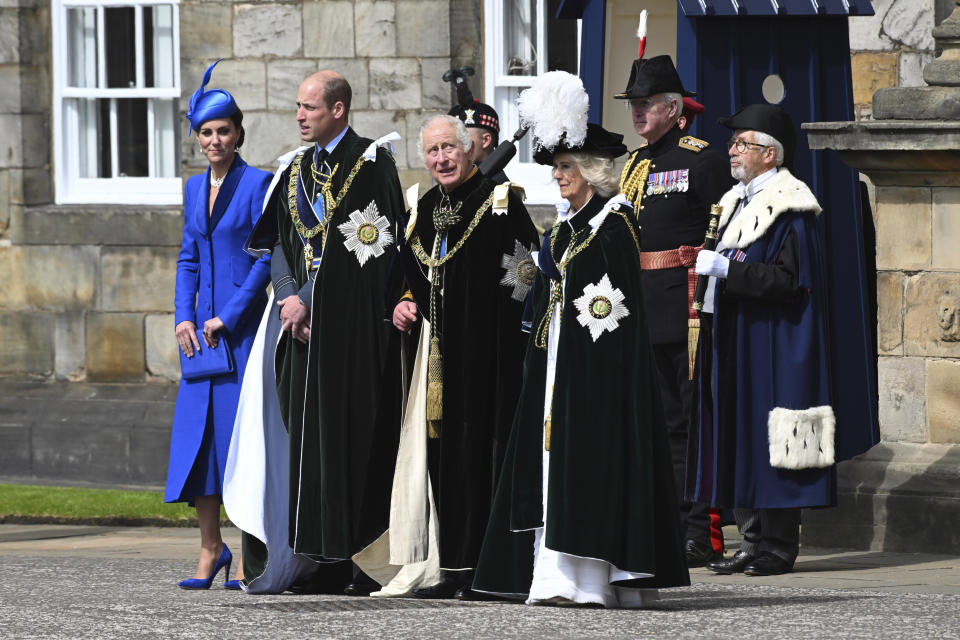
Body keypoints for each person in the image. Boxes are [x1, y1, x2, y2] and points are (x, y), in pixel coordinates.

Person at [472, 120, 690, 608]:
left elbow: (611, 310)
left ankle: (590, 580)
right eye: (556, 168)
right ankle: (554, 579)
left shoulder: (614, 225)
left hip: (593, 373)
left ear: (592, 171)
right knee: (550, 467)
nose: (558, 176)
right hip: (556, 365)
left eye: (566, 167)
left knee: (586, 463)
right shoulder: (566, 229)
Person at [222, 70, 405, 595]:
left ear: (339, 110)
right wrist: (287, 297)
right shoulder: (296, 167)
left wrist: (312, 300)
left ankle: (350, 558)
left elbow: (368, 255)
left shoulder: (372, 165)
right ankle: (308, 557)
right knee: (299, 440)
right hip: (296, 329)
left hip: (348, 332)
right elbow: (279, 241)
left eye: (310, 108)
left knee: (343, 442)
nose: (300, 116)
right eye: (298, 107)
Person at [354, 114, 539, 600]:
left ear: (469, 148)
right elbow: (403, 277)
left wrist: (501, 344)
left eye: (449, 149)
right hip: (434, 363)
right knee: (441, 462)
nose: (441, 159)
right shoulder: (423, 207)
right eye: (433, 151)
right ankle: (448, 567)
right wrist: (401, 303)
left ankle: (485, 569)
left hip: (488, 358)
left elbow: (521, 280)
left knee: (481, 458)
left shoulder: (501, 204)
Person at [691, 104, 834, 577]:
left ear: (769, 155)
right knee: (742, 437)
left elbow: (789, 280)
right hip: (736, 335)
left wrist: (728, 270)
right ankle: (751, 539)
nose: (732, 151)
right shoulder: (737, 200)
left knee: (773, 439)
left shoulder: (791, 206)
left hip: (772, 339)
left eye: (742, 144)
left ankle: (778, 545)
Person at [614, 54, 732, 568]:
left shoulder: (701, 156)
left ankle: (701, 530)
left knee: (692, 421)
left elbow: (725, 227)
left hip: (685, 306)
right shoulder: (636, 164)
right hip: (642, 306)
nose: (637, 114)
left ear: (672, 108)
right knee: (661, 424)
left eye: (644, 105)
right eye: (634, 106)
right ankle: (670, 522)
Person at [165, 59, 272, 590]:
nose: (214, 140)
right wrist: (183, 317)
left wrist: (227, 316)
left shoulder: (259, 183)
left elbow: (265, 257)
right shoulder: (190, 189)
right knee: (201, 445)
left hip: (242, 334)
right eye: (206, 132)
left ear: (238, 133)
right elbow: (187, 257)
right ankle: (211, 550)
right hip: (199, 342)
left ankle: (254, 554)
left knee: (241, 442)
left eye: (223, 131)